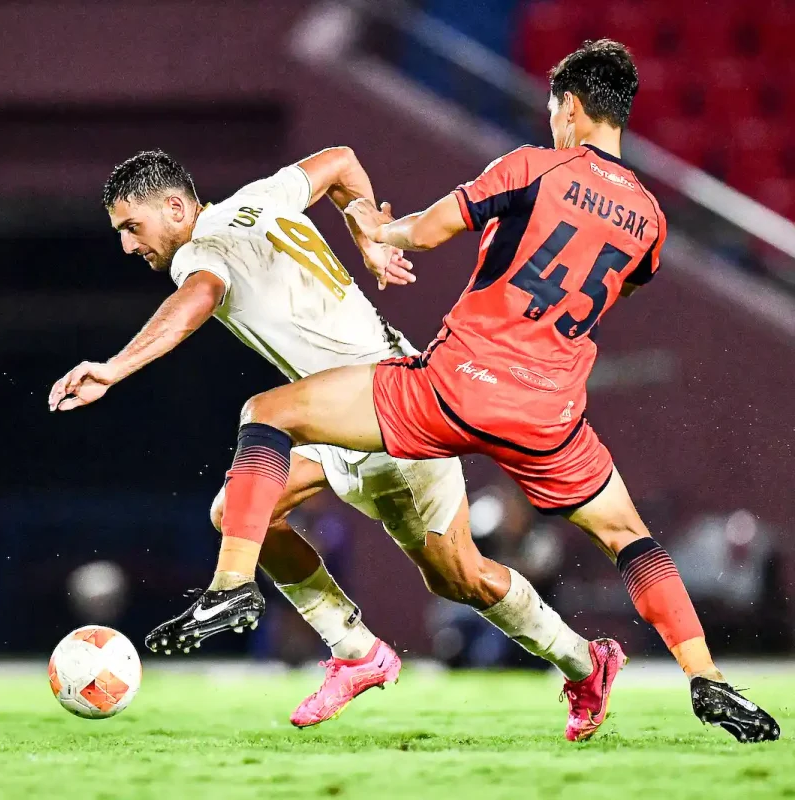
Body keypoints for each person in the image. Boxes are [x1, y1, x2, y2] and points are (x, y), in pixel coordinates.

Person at [128, 39, 777, 743]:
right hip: (549, 414)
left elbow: (429, 231)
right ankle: (705, 676)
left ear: (570, 107)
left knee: (268, 415)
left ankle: (231, 591)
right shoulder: (650, 220)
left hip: (452, 388)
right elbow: (616, 272)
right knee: (630, 539)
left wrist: (380, 231)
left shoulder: (532, 165)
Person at [48, 146, 623, 740]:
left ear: (174, 207)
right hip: (353, 409)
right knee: (258, 517)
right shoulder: (262, 197)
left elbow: (196, 298)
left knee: (266, 416)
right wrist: (367, 229)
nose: (126, 245)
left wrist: (114, 368)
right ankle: (363, 652)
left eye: (131, 227)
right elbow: (342, 162)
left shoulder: (203, 249)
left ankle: (230, 590)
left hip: (391, 402)